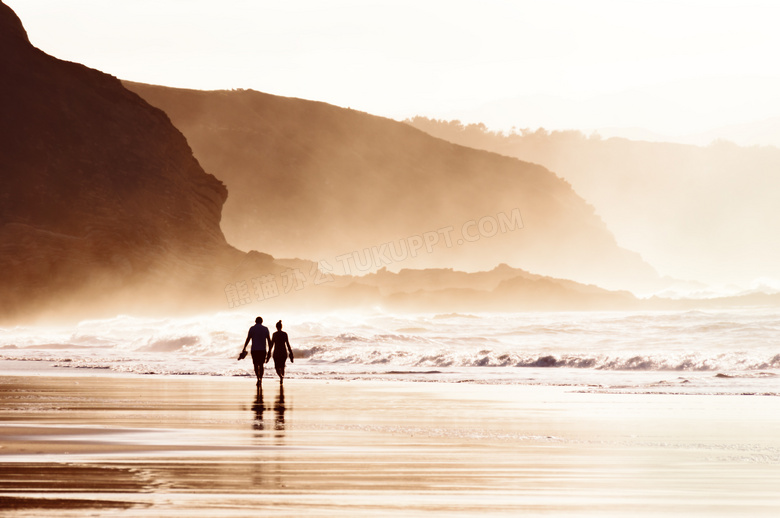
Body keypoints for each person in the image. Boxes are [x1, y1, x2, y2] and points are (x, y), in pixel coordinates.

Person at [240, 317, 271, 386]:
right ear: (262, 321)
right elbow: (269, 340)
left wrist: (244, 347)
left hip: (254, 350)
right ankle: (261, 379)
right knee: (261, 365)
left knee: (256, 365)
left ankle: (258, 379)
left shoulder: (252, 328)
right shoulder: (265, 329)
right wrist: (270, 351)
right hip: (262, 350)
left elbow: (248, 338)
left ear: (255, 321)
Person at [267, 320, 294, 384]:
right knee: (282, 366)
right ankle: (282, 378)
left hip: (276, 352)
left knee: (276, 367)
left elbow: (272, 344)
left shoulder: (274, 334)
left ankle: (280, 376)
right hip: (283, 352)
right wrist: (290, 352)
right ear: (281, 327)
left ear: (276, 327)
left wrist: (269, 352)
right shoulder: (284, 334)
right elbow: (287, 344)